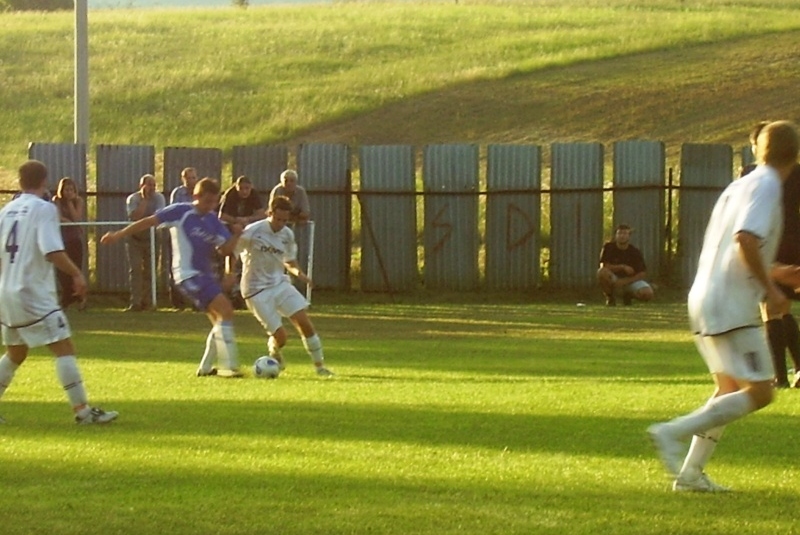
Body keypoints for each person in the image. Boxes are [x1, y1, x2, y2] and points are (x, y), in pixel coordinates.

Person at [648, 120, 800, 493]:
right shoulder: (767, 186)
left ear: (757, 150)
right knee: (761, 392)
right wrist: (772, 290)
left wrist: (779, 273)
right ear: (795, 156)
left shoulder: (741, 184)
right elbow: (745, 239)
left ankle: (689, 476)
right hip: (731, 304)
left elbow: (736, 247)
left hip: (704, 297)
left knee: (729, 389)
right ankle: (670, 432)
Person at [0, 160, 117, 425]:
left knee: (16, 353)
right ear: (45, 181)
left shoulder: (5, 211)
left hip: (6, 292)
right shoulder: (44, 209)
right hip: (31, 292)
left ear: (20, 182)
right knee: (64, 346)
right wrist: (76, 273)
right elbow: (52, 250)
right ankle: (83, 412)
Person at [101, 178, 244, 378]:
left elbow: (226, 250)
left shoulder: (213, 221)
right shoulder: (180, 211)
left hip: (206, 276)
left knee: (220, 319)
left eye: (214, 202)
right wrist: (118, 234)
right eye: (207, 201)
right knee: (226, 310)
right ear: (196, 196)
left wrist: (236, 236)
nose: (210, 206)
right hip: (187, 274)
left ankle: (205, 368)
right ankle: (230, 367)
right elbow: (147, 221)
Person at [236, 195, 333, 377]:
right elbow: (233, 250)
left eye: (285, 220)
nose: (281, 223)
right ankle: (274, 348)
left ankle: (320, 368)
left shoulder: (287, 234)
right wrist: (228, 273)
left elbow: (289, 261)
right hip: (255, 290)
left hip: (279, 283)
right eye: (278, 219)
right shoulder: (253, 231)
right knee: (282, 337)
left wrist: (300, 274)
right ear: (269, 213)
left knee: (305, 323)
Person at [741, 121, 800, 389]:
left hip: (766, 242)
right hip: (794, 242)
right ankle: (797, 369)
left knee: (770, 310)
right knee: (783, 308)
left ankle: (780, 376)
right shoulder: (797, 172)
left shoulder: (751, 174)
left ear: (758, 146)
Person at [219, 176, 264, 308]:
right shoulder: (230, 194)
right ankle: (230, 276)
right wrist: (236, 220)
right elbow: (221, 216)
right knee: (231, 254)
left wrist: (247, 219)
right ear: (236, 187)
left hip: (247, 227)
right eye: (242, 189)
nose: (244, 191)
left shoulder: (254, 195)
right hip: (230, 227)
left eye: (247, 188)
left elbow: (262, 214)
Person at [125, 173, 166, 311]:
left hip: (153, 238)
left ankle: (147, 302)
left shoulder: (159, 198)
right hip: (135, 238)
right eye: (149, 185)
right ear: (141, 186)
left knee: (150, 270)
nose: (152, 188)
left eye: (154, 185)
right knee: (135, 269)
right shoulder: (133, 199)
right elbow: (136, 216)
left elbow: (159, 216)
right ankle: (135, 302)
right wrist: (144, 200)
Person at [597, 224, 654, 306]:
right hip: (613, 279)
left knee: (647, 294)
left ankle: (628, 296)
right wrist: (622, 267)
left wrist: (624, 281)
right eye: (619, 233)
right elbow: (604, 266)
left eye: (624, 233)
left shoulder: (635, 252)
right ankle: (610, 298)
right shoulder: (608, 247)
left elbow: (642, 273)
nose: (622, 236)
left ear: (629, 236)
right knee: (601, 272)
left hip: (630, 280)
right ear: (615, 235)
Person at [52, 177, 86, 310]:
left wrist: (71, 203)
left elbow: (77, 218)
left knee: (76, 268)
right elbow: (58, 217)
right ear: (62, 190)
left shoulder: (78, 201)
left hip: (74, 239)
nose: (68, 192)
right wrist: (69, 222)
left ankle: (81, 299)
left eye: (71, 189)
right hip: (61, 239)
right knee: (61, 271)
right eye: (66, 189)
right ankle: (67, 298)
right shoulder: (56, 200)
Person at [167, 167, 199, 309]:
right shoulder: (178, 193)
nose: (191, 181)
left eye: (193, 177)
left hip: (196, 236)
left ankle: (196, 302)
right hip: (179, 236)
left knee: (196, 268)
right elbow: (174, 212)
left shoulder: (201, 192)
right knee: (176, 267)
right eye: (188, 178)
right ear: (183, 179)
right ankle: (178, 303)